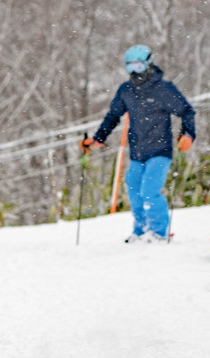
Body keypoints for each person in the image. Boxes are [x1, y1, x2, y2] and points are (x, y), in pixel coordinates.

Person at [81, 44, 196, 243]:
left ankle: (159, 232)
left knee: (149, 192)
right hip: (138, 151)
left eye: (139, 66)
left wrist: (188, 134)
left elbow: (186, 111)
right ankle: (141, 230)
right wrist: (98, 138)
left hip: (160, 150)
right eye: (130, 67)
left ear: (149, 64)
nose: (135, 72)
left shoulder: (163, 89)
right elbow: (113, 116)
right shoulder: (127, 90)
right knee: (134, 191)